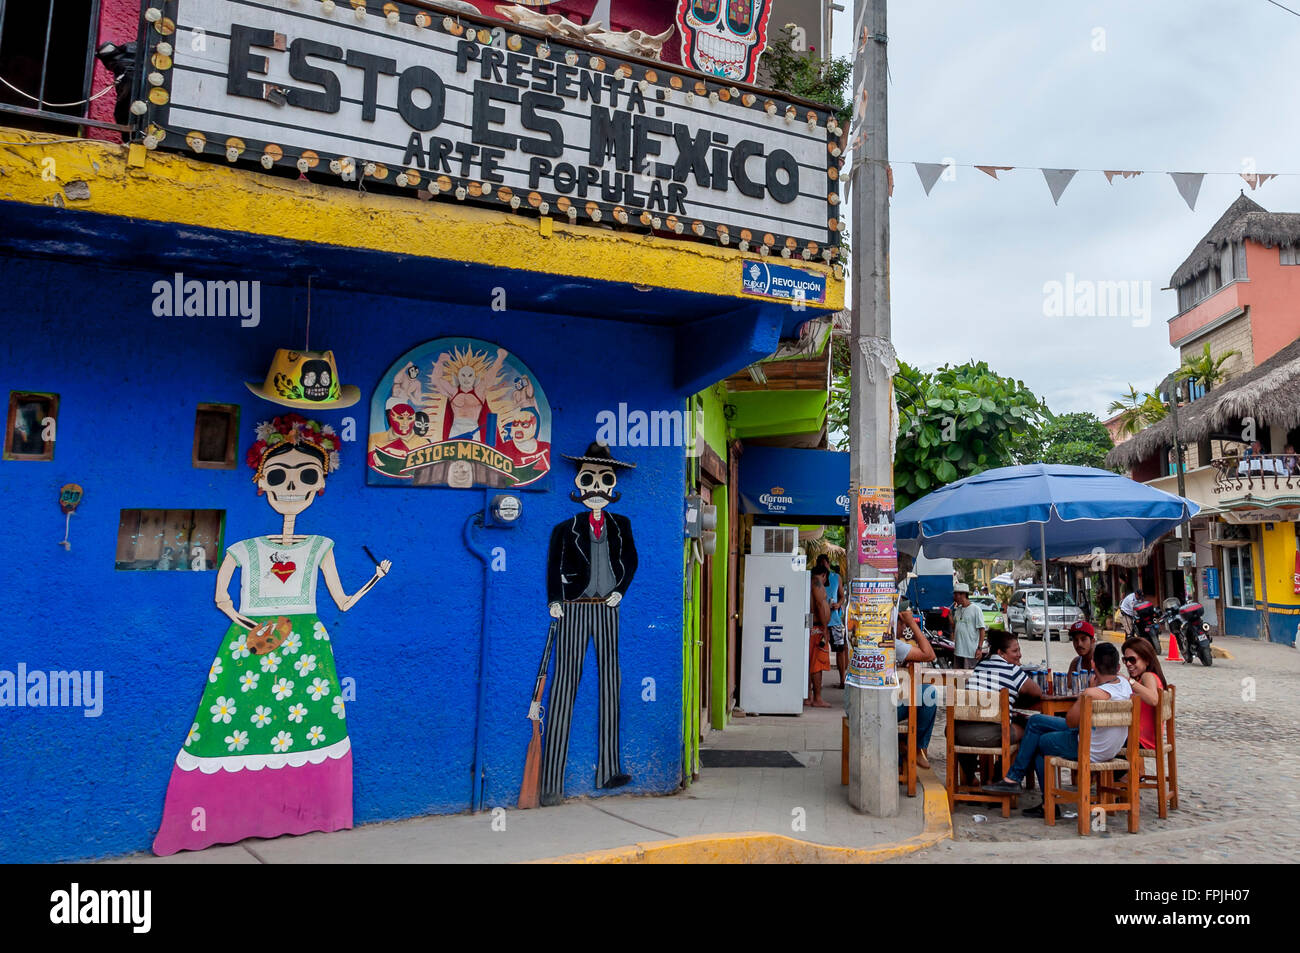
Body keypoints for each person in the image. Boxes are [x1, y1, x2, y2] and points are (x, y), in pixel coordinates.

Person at [153, 415, 391, 855]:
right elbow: (222, 598)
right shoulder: (244, 549)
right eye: (279, 476)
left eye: (307, 477)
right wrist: (251, 627)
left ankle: (307, 810)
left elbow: (340, 601)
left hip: (306, 646)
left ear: (319, 486)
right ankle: (215, 817)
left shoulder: (322, 546)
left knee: (309, 728)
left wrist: (374, 578)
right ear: (262, 482)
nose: (292, 487)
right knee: (231, 722)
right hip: (254, 643)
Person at [542, 443, 639, 805]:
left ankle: (609, 769)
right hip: (575, 608)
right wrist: (555, 601)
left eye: (604, 480)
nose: (597, 488)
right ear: (580, 486)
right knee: (565, 686)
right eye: (589, 479)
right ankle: (552, 781)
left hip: (607, 608)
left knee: (610, 682)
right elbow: (553, 566)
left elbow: (631, 560)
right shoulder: (565, 529)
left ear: (611, 487)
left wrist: (621, 592)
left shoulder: (621, 524)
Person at [981, 643, 1133, 818]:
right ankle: (1017, 781)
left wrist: (1089, 689)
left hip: (1089, 747)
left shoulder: (1092, 693)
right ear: (1118, 667)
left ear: (1093, 665)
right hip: (1108, 746)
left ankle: (1027, 788)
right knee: (1037, 722)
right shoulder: (1125, 684)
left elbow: (1070, 721)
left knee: (1039, 740)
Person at [955, 629, 1043, 782]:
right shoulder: (1012, 670)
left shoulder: (980, 667)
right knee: (1031, 728)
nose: (1019, 655)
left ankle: (971, 779)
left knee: (1006, 721)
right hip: (991, 736)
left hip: (959, 734)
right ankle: (1001, 773)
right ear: (1001, 653)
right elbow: (1037, 693)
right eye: (1015, 651)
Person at [894, 600, 938, 769]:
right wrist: (912, 623)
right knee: (929, 694)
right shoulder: (892, 643)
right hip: (882, 707)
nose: (903, 629)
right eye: (902, 624)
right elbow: (929, 655)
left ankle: (905, 745)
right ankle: (916, 746)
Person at [1121, 637, 1167, 750]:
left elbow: (1153, 699)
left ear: (1146, 660)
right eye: (1125, 660)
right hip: (1142, 738)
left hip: (1142, 740)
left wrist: (1129, 681)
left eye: (1132, 659)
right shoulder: (1141, 680)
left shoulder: (1148, 676)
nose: (1128, 664)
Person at [817, 555, 848, 687]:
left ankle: (842, 680)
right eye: (821, 564)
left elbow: (842, 596)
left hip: (834, 620)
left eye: (825, 564)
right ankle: (817, 684)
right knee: (819, 652)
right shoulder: (815, 579)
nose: (824, 567)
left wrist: (838, 604)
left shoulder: (836, 578)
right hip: (819, 621)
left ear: (829, 564)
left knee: (840, 650)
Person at [807, 566, 833, 708]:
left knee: (812, 662)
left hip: (816, 627)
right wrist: (824, 628)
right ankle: (817, 697)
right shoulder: (816, 584)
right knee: (817, 663)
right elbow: (818, 604)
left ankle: (809, 696)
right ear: (824, 575)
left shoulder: (811, 582)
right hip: (817, 628)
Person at [951, 583, 986, 668]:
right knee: (958, 677)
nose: (954, 597)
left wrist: (979, 648)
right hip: (958, 651)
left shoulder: (975, 609)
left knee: (968, 677)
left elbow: (982, 630)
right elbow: (954, 626)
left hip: (970, 652)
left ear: (963, 594)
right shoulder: (958, 610)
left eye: (956, 594)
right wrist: (949, 616)